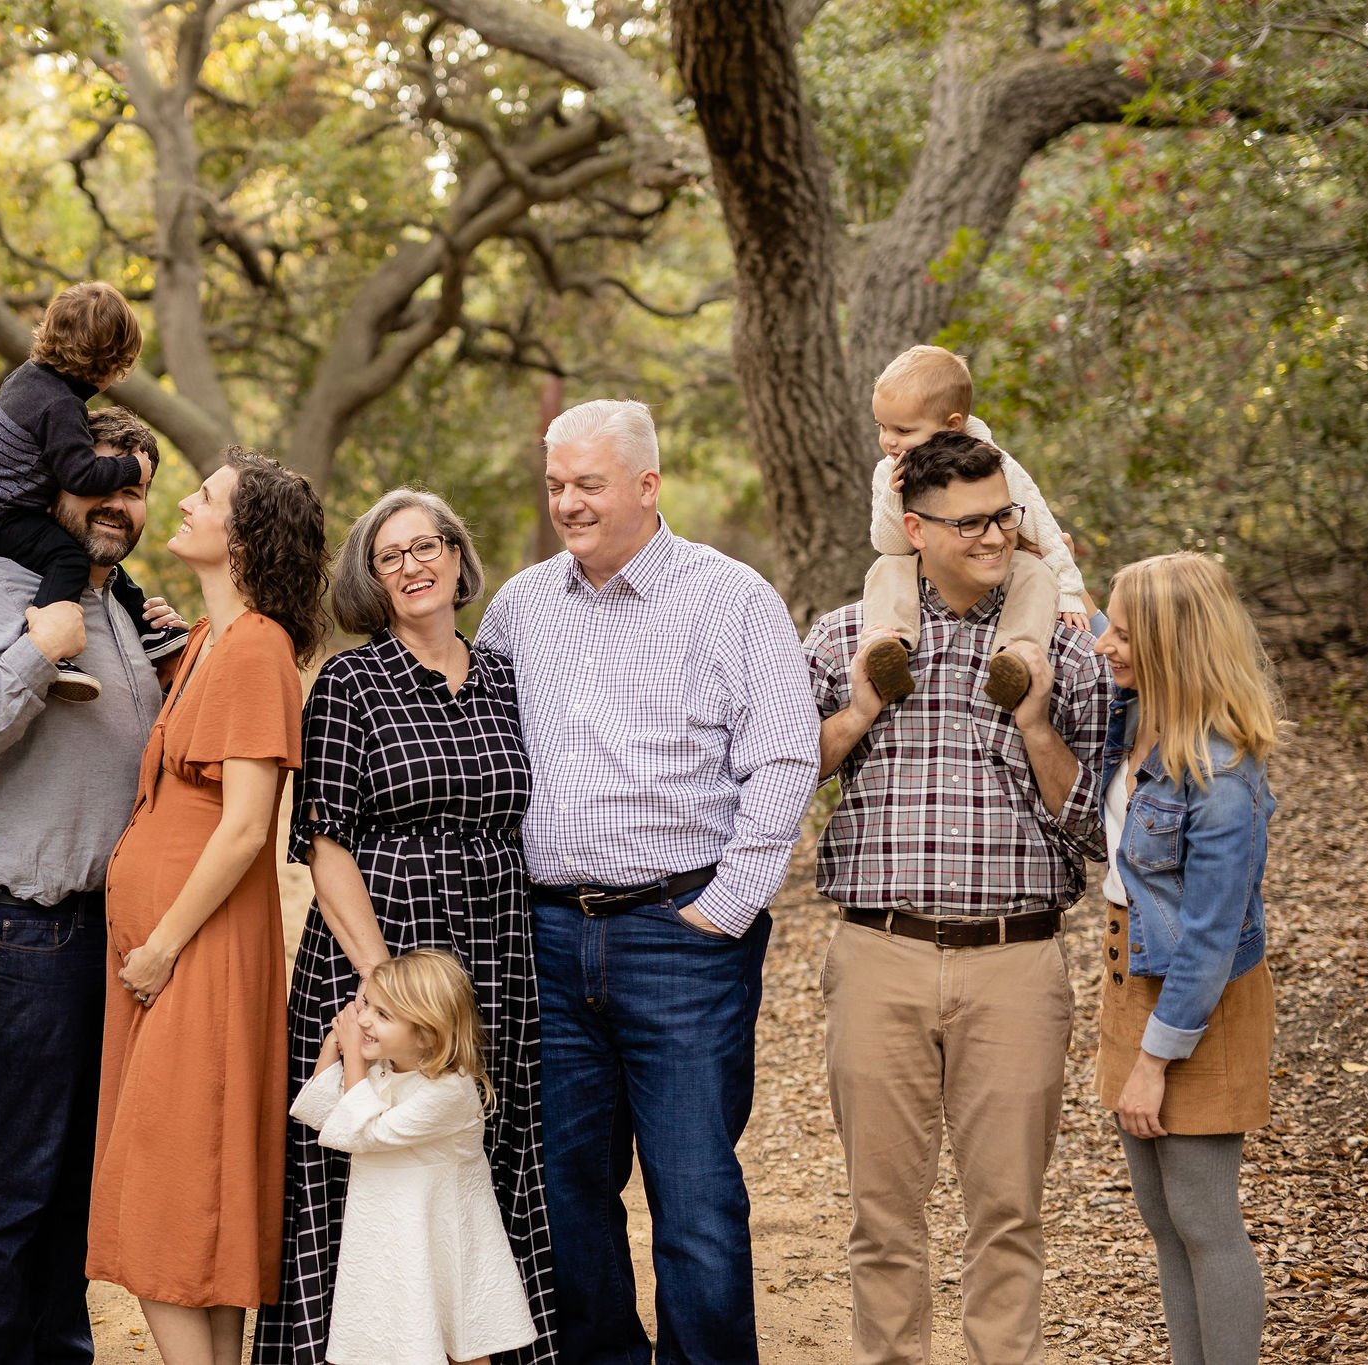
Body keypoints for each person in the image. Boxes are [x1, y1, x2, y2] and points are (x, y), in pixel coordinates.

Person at [476, 398, 820, 1365]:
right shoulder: (519, 605)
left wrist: (729, 904)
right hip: (546, 941)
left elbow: (785, 757)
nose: (569, 505)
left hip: (682, 933)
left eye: (588, 484)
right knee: (561, 1192)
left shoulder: (731, 598)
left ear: (646, 484)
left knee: (695, 1194)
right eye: (556, 486)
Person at [804, 429, 1114, 1365]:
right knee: (882, 1216)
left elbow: (1095, 827)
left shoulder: (1068, 650)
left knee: (1009, 1213)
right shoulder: (842, 637)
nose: (996, 538)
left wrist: (1034, 720)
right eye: (971, 522)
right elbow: (780, 780)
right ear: (915, 529)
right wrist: (858, 708)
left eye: (1004, 517)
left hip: (1017, 962)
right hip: (879, 956)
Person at [255, 487, 554, 1365]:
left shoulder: (503, 672)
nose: (414, 565)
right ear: (373, 581)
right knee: (368, 1152)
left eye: (428, 546)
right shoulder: (352, 681)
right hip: (379, 945)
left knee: (479, 1149)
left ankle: (482, 1343)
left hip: (496, 944)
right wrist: (383, 982)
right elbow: (323, 837)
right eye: (391, 556)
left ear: (459, 558)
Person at [0, 404, 171, 1364]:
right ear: (55, 483)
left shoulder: (117, 601)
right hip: (23, 930)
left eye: (135, 487)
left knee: (74, 1188)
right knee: (14, 1186)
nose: (117, 502)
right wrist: (38, 649)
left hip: (108, 937)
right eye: (99, 480)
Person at [86, 448, 331, 1365]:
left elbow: (244, 830)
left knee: (167, 1186)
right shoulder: (203, 640)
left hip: (196, 946)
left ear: (246, 534)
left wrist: (161, 947)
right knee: (194, 1198)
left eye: (205, 497)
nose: (179, 504)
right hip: (165, 944)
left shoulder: (259, 647)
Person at [1093, 552, 1279, 1365]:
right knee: (1164, 1218)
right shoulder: (1136, 716)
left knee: (1205, 1218)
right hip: (1128, 979)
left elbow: (1209, 937)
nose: (1107, 645)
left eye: (1125, 634)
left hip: (1198, 1001)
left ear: (1171, 646)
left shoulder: (1223, 773)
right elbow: (1080, 617)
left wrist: (1156, 1060)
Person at [289, 949, 537, 1365]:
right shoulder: (383, 1069)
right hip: (390, 1232)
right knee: (395, 1337)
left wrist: (352, 1054)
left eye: (383, 1016)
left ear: (426, 1034)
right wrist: (335, 1045)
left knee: (460, 1342)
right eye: (366, 1006)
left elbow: (359, 1132)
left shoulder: (448, 1091)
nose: (364, 1020)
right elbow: (322, 1111)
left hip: (440, 1233)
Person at [0, 280, 185, 701]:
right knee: (69, 555)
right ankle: (47, 640)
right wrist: (134, 468)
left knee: (96, 556)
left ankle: (147, 629)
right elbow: (79, 476)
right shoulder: (61, 405)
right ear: (108, 366)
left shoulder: (26, 378)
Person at [860, 344, 1089, 708]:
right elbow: (890, 544)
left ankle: (1017, 656)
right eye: (882, 427)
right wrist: (892, 496)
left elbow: (1042, 523)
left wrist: (1069, 587)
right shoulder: (888, 471)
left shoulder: (993, 464)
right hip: (921, 565)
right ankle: (888, 646)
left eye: (902, 429)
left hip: (999, 572)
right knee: (886, 568)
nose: (888, 440)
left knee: (1033, 571)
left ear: (952, 425)